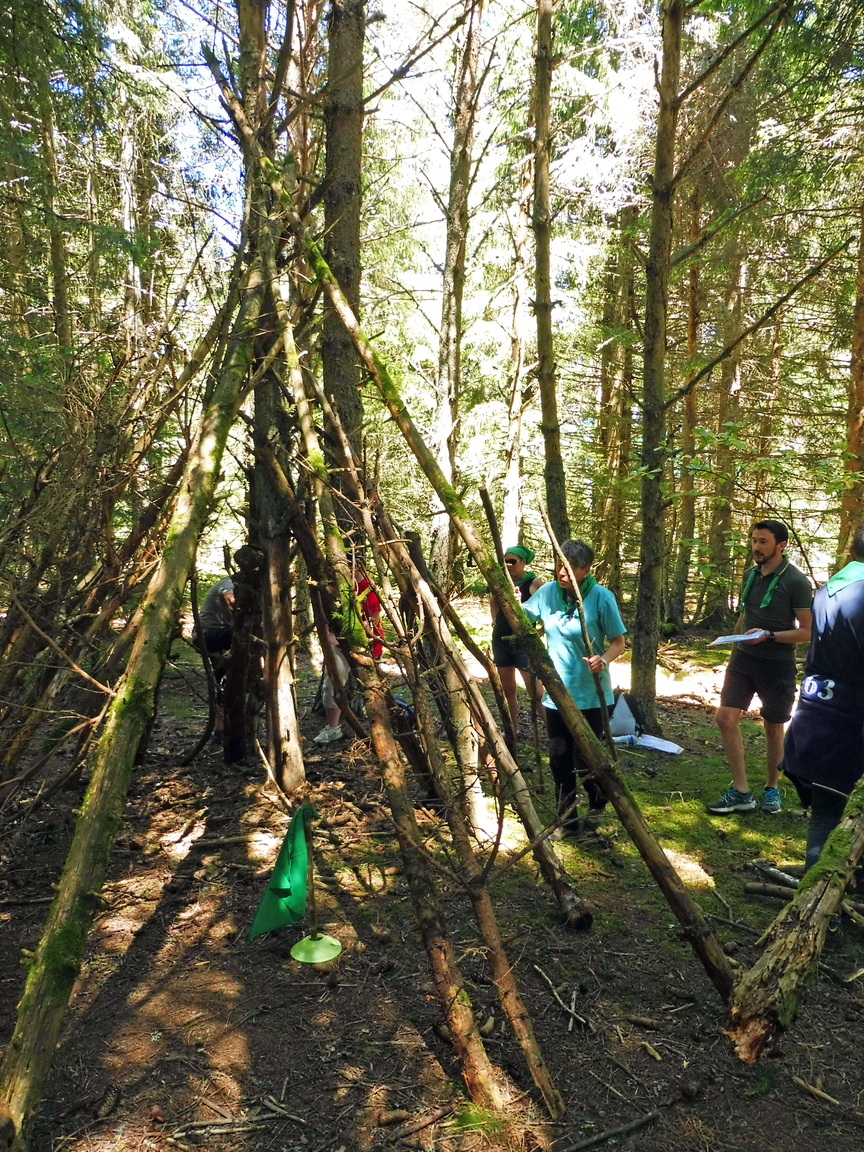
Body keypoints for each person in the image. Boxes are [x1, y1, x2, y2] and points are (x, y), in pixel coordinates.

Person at [707, 520, 812, 816]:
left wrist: (770, 636)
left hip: (777, 664)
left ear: (781, 545)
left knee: (773, 726)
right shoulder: (749, 575)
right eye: (754, 540)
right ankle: (741, 792)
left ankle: (771, 789)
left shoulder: (796, 582)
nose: (756, 547)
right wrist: (733, 650)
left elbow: (806, 632)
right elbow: (745, 615)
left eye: (763, 541)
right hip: (744, 660)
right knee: (725, 719)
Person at [522, 539, 626, 834]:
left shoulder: (601, 598)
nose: (562, 573)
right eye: (559, 566)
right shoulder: (546, 593)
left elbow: (619, 642)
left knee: (587, 756)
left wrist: (603, 660)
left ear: (586, 571)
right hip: (556, 693)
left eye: (570, 569)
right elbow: (524, 617)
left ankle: (597, 803)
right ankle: (568, 819)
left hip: (592, 695)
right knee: (558, 755)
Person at [779, 523, 864, 870]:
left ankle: (821, 895)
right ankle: (824, 909)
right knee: (836, 816)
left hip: (816, 717)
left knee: (827, 814)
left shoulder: (829, 589)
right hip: (850, 725)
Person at [313, 569, 385, 745]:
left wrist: (364, 636)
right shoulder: (329, 584)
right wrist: (331, 637)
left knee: (373, 687)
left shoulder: (365, 585)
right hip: (339, 644)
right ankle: (333, 728)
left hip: (365, 644)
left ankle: (382, 730)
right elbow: (324, 618)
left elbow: (374, 617)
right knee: (332, 682)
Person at [490, 544, 544, 732]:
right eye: (506, 562)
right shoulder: (501, 581)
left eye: (513, 562)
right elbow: (493, 600)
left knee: (536, 692)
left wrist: (542, 630)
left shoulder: (534, 583)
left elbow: (546, 606)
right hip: (501, 641)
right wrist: (495, 621)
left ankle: (554, 731)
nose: (509, 565)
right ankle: (511, 730)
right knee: (508, 689)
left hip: (524, 643)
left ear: (522, 562)